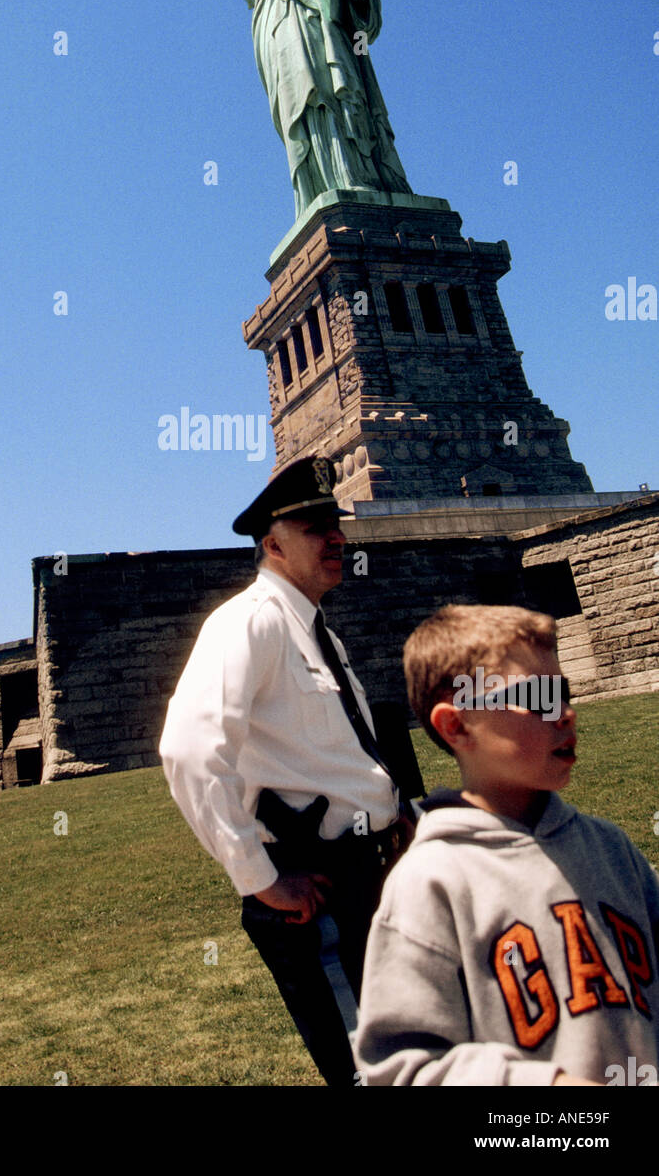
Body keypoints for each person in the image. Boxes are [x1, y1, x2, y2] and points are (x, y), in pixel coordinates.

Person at [160, 456, 424, 1086]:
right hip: (316, 892)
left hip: (369, 876)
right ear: (272, 544)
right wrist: (260, 878)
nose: (335, 537)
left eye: (335, 523)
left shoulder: (314, 632)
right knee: (373, 1075)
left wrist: (399, 814)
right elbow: (190, 750)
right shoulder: (248, 624)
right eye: (314, 527)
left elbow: (340, 754)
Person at [353, 605, 659, 1086]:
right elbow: (400, 1068)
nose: (565, 713)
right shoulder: (431, 882)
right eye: (537, 699)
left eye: (565, 692)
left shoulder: (611, 849)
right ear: (456, 726)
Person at [196, 0, 413, 216]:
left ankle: (356, 177)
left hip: (326, 50)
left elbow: (365, 10)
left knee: (334, 104)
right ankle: (318, 190)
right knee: (305, 119)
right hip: (287, 66)